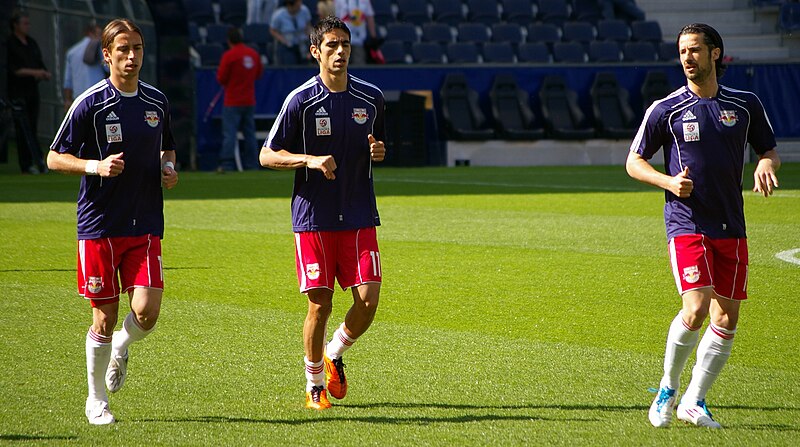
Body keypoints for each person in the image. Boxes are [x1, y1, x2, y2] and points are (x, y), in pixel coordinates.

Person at [626, 23, 780, 429]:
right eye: (682, 52)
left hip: (731, 223)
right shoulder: (666, 109)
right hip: (687, 220)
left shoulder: (745, 105)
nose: (687, 58)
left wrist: (765, 162)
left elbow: (768, 149)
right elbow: (634, 161)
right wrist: (667, 181)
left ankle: (695, 400)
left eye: (694, 50)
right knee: (695, 309)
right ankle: (667, 388)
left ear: (716, 54)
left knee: (726, 317)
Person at [47, 18, 179, 425]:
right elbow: (54, 157)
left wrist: (169, 167)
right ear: (107, 55)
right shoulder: (90, 102)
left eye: (137, 48)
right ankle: (96, 400)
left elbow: (167, 149)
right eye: (122, 49)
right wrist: (94, 166)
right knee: (102, 317)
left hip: (144, 224)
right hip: (100, 225)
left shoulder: (157, 102)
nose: (131, 56)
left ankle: (123, 344)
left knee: (147, 311)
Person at [260, 15, 386, 410]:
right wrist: (309, 160)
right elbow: (266, 154)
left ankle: (334, 352)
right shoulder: (300, 100)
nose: (340, 52)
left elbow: (375, 145)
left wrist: (378, 152)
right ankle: (314, 384)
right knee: (321, 305)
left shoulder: (371, 98)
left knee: (368, 300)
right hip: (314, 218)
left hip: (360, 213)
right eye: (331, 45)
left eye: (345, 45)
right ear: (316, 51)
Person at [7, 8, 51, 174]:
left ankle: (38, 160)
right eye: (25, 23)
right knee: (22, 127)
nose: (28, 26)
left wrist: (44, 73)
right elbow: (14, 70)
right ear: (15, 25)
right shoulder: (10, 44)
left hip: (33, 90)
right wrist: (35, 73)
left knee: (33, 125)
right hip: (18, 91)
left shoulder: (31, 43)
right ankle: (26, 164)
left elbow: (39, 62)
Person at [216, 26, 263, 172]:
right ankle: (252, 164)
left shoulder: (229, 56)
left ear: (229, 40)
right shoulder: (253, 54)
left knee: (230, 134)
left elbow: (221, 78)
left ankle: (227, 165)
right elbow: (258, 74)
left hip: (232, 102)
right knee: (250, 135)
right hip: (249, 100)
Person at [63, 22, 107, 112]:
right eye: (98, 35)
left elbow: (68, 81)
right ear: (90, 33)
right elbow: (108, 68)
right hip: (97, 98)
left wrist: (68, 100)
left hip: (78, 99)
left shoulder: (71, 52)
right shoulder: (99, 48)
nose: (100, 38)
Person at [334, 0, 377, 65]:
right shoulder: (339, 1)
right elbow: (334, 18)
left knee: (359, 62)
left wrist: (373, 36)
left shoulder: (365, 1)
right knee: (342, 63)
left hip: (359, 39)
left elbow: (369, 17)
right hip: (342, 39)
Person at [270, 0, 313, 65]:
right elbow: (273, 30)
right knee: (288, 60)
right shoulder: (278, 15)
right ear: (290, 5)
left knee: (306, 60)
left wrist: (310, 37)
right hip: (287, 45)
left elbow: (308, 26)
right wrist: (283, 40)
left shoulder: (304, 11)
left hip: (302, 44)